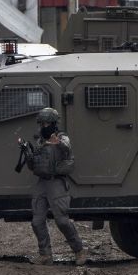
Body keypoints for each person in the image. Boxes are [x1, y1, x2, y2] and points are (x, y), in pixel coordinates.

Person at [26, 107, 88, 266]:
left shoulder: (62, 137)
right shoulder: (39, 140)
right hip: (42, 183)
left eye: (46, 123)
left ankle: (79, 250)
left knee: (62, 221)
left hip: (56, 183)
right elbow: (33, 165)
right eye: (41, 123)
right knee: (37, 221)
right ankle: (45, 255)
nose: (43, 126)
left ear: (53, 124)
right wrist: (27, 153)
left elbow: (67, 148)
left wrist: (57, 143)